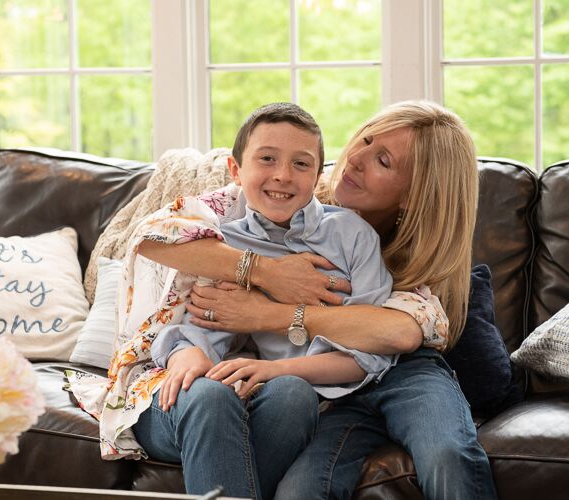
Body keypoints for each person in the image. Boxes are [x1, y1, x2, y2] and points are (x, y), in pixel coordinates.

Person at [143, 100, 497, 499]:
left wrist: (270, 315)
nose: (356, 159)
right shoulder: (278, 196)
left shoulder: (384, 245)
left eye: (382, 160)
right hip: (324, 395)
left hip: (397, 373)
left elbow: (398, 337)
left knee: (448, 453)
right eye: (365, 140)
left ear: (415, 195)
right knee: (301, 491)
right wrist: (263, 272)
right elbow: (156, 238)